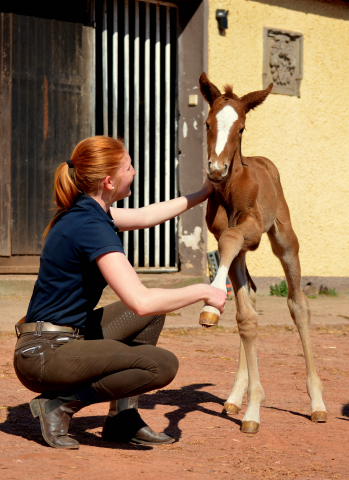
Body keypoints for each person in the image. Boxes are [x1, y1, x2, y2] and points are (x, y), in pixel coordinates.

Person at [13, 136, 226, 450]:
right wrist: (203, 290)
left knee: (155, 313)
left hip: (63, 340)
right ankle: (59, 405)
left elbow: (145, 216)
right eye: (129, 166)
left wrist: (204, 192)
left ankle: (122, 419)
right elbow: (139, 301)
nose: (135, 171)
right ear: (110, 181)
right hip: (45, 355)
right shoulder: (90, 226)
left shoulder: (90, 212)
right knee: (161, 364)